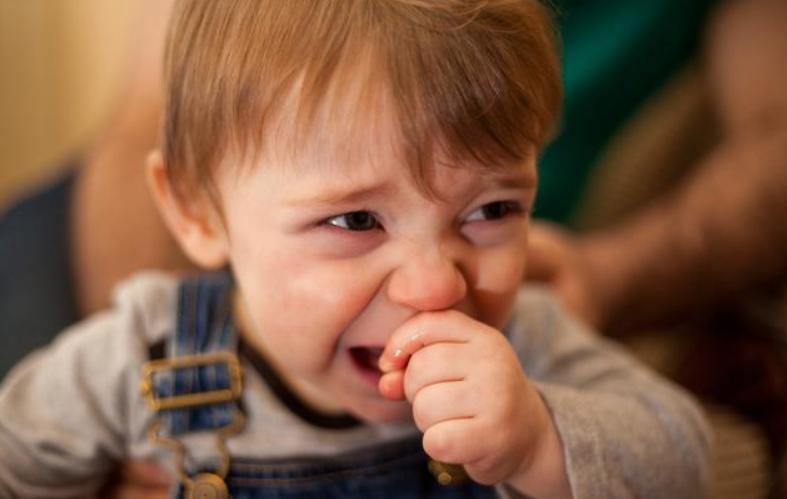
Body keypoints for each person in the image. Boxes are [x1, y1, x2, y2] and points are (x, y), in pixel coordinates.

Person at [0, 1, 711, 497]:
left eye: (491, 210)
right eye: (355, 222)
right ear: (197, 211)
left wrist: (538, 442)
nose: (436, 287)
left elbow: (683, 462)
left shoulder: (530, 340)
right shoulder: (139, 358)